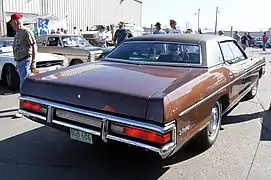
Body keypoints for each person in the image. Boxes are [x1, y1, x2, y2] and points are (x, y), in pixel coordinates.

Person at [10, 13, 37, 118]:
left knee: (24, 86)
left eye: (12, 23)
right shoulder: (17, 33)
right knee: (26, 85)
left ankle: (23, 110)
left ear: (16, 22)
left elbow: (34, 46)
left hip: (26, 61)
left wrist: (33, 62)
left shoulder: (26, 31)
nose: (11, 25)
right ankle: (29, 106)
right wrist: (17, 63)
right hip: (20, 62)